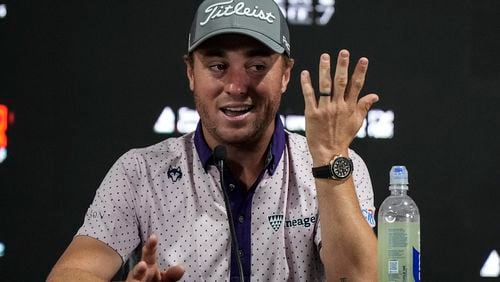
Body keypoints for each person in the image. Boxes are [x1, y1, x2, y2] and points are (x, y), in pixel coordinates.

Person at [48, 0, 378, 281]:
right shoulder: (140, 172)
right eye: (218, 66)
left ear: (286, 75)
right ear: (191, 73)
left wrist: (330, 157)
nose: (236, 86)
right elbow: (73, 271)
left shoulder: (335, 165)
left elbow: (363, 278)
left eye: (257, 66)